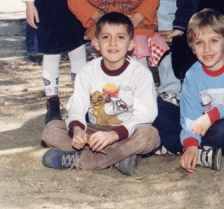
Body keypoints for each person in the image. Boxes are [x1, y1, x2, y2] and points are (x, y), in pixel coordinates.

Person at [41, 13, 160, 175]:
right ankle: (119, 158)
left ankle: (81, 160)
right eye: (106, 37)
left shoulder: (140, 74)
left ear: (131, 44)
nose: (112, 43)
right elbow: (76, 108)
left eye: (120, 37)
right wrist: (77, 131)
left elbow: (146, 114)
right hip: (94, 132)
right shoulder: (88, 71)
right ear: (96, 43)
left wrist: (113, 135)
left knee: (149, 136)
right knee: (51, 129)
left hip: (125, 133)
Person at [152, 9, 224, 172]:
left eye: (214, 40)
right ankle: (198, 152)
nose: (207, 49)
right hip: (202, 127)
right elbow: (189, 117)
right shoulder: (193, 74)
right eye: (199, 42)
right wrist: (191, 145)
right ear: (193, 48)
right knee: (158, 110)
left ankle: (176, 146)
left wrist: (215, 114)